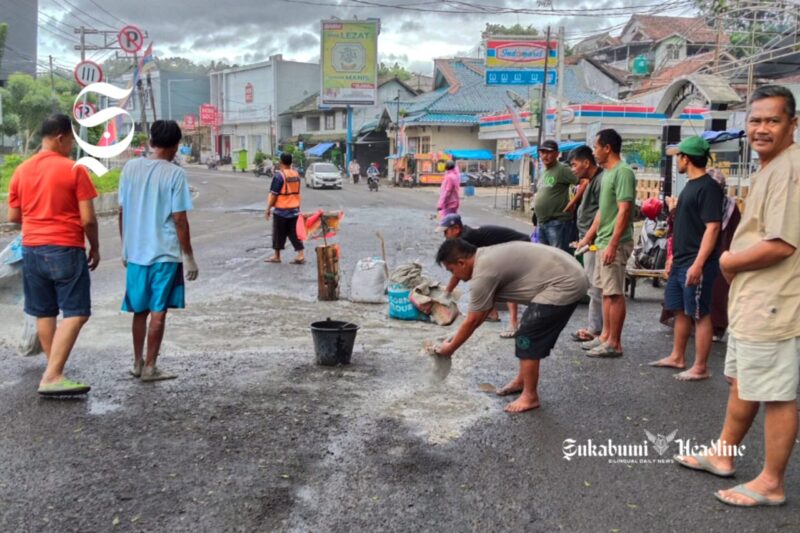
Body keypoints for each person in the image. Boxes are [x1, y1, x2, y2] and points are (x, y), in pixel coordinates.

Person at [674, 85, 800, 507]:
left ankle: (771, 483)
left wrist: (728, 261)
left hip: (774, 301)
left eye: (773, 120)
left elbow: (782, 245)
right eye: (755, 120)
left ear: (793, 124)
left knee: (776, 393)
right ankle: (723, 455)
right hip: (755, 298)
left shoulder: (790, 170)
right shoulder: (771, 167)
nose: (762, 128)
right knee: (742, 381)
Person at [433, 239, 589, 413]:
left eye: (452, 270)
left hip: (566, 283)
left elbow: (473, 320)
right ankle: (522, 381)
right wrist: (454, 337)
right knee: (526, 331)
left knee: (527, 336)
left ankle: (530, 396)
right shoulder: (484, 257)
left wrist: (450, 349)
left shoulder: (483, 273)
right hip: (568, 273)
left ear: (461, 262)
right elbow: (482, 312)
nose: (456, 277)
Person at [7, 114, 99, 396]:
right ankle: (52, 375)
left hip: (31, 249)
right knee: (77, 312)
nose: (72, 146)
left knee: (44, 311)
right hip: (65, 248)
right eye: (71, 140)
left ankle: (53, 371)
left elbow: (13, 216)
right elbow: (88, 219)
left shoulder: (21, 170)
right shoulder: (74, 170)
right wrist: (95, 247)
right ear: (60, 137)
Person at [119, 120, 199, 382]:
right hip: (164, 253)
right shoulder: (175, 174)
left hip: (136, 253)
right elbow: (179, 219)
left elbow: (122, 211)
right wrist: (189, 257)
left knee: (139, 310)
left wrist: (125, 247)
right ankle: (151, 367)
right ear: (175, 145)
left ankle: (137, 363)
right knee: (158, 311)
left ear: (152, 141)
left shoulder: (130, 168)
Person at [649, 136, 723, 381]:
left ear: (686, 158)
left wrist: (699, 264)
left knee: (700, 314)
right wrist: (671, 257)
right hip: (681, 260)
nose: (677, 160)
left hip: (696, 262)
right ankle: (677, 356)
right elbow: (684, 226)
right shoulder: (690, 185)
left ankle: (700, 367)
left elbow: (713, 227)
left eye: (679, 156)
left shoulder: (709, 187)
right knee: (680, 310)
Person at [575, 129, 635, 358]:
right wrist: (587, 238)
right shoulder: (607, 173)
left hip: (614, 243)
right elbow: (602, 212)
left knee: (614, 293)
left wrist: (612, 244)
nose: (594, 152)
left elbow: (624, 210)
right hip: (602, 241)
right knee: (605, 292)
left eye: (596, 147)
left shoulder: (623, 172)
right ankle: (605, 337)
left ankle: (614, 343)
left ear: (607, 148)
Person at [437, 213, 529, 337]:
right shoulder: (463, 236)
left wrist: (447, 292)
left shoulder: (466, 239)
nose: (445, 236)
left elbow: (458, 272)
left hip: (520, 245)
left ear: (456, 229)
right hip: (505, 248)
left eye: (446, 232)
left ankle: (513, 323)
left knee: (506, 280)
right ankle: (492, 313)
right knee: (486, 276)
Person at [566, 145, 604, 343]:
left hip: (595, 242)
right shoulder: (590, 181)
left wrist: (588, 239)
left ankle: (597, 330)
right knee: (593, 285)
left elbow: (602, 213)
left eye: (574, 165)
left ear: (586, 163)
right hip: (588, 239)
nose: (573, 169)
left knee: (596, 288)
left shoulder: (601, 181)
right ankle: (595, 328)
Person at [533, 139, 579, 253]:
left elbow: (583, 181)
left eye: (549, 152)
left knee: (558, 257)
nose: (545, 156)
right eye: (543, 152)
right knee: (544, 257)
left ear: (557, 154)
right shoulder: (544, 171)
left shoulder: (562, 169)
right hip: (542, 222)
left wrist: (573, 202)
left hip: (557, 223)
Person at [265, 153, 305, 264]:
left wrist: (268, 208)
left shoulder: (279, 176)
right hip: (294, 209)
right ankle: (301, 254)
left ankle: (277, 256)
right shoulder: (296, 174)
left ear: (281, 162)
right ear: (291, 162)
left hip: (281, 210)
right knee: (294, 233)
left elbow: (274, 194)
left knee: (278, 233)